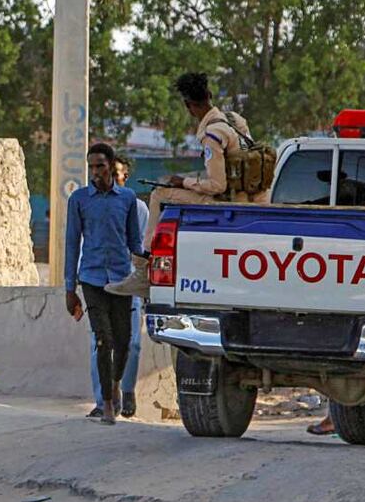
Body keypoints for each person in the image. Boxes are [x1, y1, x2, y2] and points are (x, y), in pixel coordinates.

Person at [107, 72, 268, 297]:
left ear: (188, 106)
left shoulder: (212, 134)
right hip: (254, 197)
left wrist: (184, 182)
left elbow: (217, 185)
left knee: (160, 193)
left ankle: (143, 267)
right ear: (209, 95)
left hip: (227, 200)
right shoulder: (234, 120)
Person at [65, 143, 142, 424]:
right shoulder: (80, 199)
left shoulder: (128, 199)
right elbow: (72, 244)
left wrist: (146, 274)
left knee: (123, 342)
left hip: (122, 280)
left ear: (111, 165)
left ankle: (116, 383)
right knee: (103, 340)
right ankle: (108, 403)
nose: (95, 172)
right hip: (92, 279)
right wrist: (69, 288)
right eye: (91, 166)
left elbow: (135, 242)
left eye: (100, 166)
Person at [87, 156, 147, 418]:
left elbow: (140, 246)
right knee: (100, 342)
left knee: (131, 343)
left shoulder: (138, 207)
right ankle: (104, 401)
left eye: (118, 174)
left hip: (128, 281)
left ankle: (127, 388)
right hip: (99, 281)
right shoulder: (88, 202)